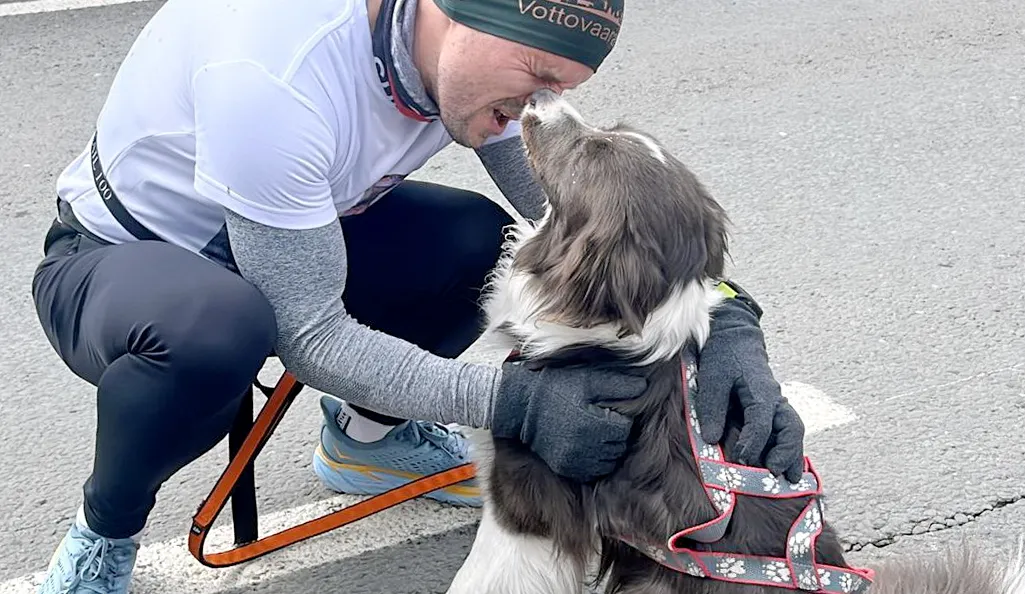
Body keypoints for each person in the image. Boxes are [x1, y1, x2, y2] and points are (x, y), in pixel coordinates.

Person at [29, 0, 807, 591]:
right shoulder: (276, 75)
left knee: (482, 245)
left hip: (298, 226)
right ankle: (104, 532)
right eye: (538, 78)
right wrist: (516, 405)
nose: (542, 106)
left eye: (566, 86)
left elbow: (575, 219)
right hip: (126, 261)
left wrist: (728, 313)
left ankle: (366, 443)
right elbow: (313, 336)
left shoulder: (468, 58)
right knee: (215, 329)